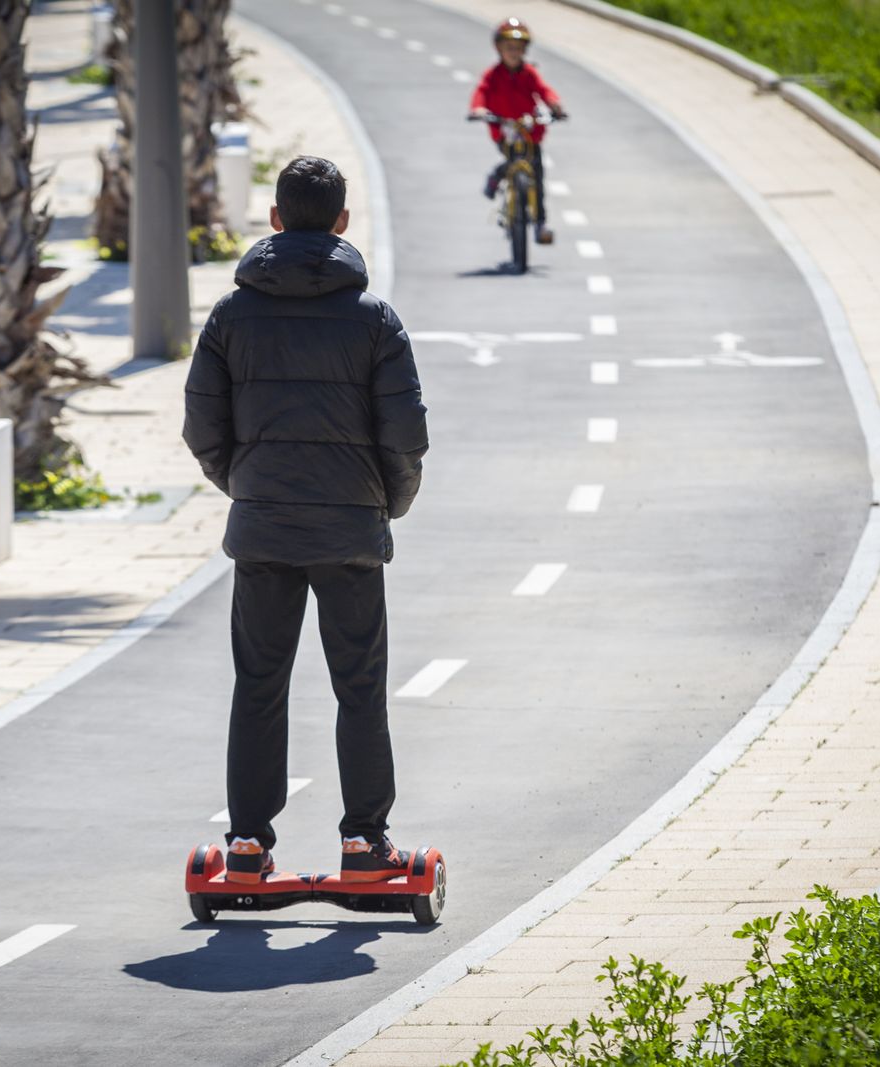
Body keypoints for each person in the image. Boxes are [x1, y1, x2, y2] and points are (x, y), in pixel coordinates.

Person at [183, 156, 429, 886]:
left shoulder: (231, 315)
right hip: (350, 529)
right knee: (359, 687)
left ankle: (249, 845)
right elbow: (406, 437)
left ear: (275, 220)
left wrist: (245, 485)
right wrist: (386, 502)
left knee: (259, 682)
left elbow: (202, 425)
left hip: (261, 528)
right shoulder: (374, 319)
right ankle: (365, 844)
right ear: (343, 222)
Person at [469, 16, 567, 246]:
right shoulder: (493, 75)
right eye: (509, 48)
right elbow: (481, 92)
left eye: (519, 48)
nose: (514, 53)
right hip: (504, 131)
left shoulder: (529, 73)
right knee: (511, 160)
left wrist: (554, 105)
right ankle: (498, 175)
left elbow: (545, 91)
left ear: (525, 50)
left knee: (537, 177)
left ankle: (541, 223)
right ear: (499, 49)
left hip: (529, 133)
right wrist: (478, 109)